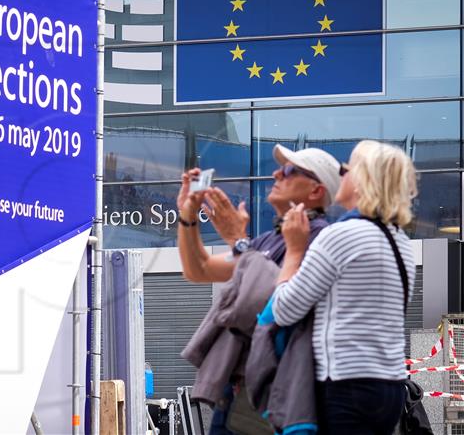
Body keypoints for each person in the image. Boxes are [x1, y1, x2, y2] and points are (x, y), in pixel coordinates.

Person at [177, 145, 342, 434]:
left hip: (273, 392)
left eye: (290, 170)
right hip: (243, 391)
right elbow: (198, 269)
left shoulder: (324, 240)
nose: (277, 173)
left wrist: (238, 241)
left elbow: (275, 300)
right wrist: (188, 217)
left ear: (316, 191)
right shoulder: (268, 241)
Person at [273, 140, 417, 435]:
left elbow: (284, 309)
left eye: (346, 169)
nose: (341, 174)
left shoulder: (340, 236)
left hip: (344, 384)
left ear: (362, 180)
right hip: (390, 386)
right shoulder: (400, 241)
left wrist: (294, 251)